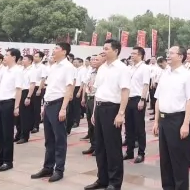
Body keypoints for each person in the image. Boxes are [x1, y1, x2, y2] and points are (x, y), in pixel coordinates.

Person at [85, 39, 131, 190]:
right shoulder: (102, 67)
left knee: (112, 147)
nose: (103, 51)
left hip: (113, 109)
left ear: (116, 51)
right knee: (100, 146)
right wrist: (94, 112)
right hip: (99, 108)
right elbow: (98, 91)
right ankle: (102, 179)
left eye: (106, 48)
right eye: (103, 48)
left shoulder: (122, 68)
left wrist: (121, 113)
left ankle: (114, 182)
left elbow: (125, 91)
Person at [153, 46, 190, 190]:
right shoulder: (165, 73)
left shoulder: (187, 75)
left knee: (178, 160)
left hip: (178, 120)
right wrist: (156, 121)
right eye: (168, 53)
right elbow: (158, 98)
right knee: (165, 161)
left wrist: (185, 124)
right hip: (164, 120)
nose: (168, 55)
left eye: (171, 53)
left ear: (181, 56)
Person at [31, 42, 76, 183]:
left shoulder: (68, 67)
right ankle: (48, 167)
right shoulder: (54, 66)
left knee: (59, 140)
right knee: (49, 139)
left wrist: (63, 108)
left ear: (64, 52)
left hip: (59, 104)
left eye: (56, 48)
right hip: (49, 104)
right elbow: (50, 88)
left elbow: (69, 89)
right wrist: (44, 106)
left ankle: (59, 170)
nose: (53, 51)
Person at [125, 46, 151, 163]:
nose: (132, 55)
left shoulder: (145, 68)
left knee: (139, 127)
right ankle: (129, 151)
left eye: (134, 53)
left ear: (140, 55)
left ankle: (141, 153)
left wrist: (142, 99)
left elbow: (146, 85)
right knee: (129, 127)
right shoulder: (129, 68)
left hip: (138, 99)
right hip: (128, 99)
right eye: (131, 53)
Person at [17, 55, 37, 144]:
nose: (22, 60)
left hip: (26, 92)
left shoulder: (32, 70)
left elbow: (32, 84)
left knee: (25, 116)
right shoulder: (21, 70)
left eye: (24, 59)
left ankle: (24, 136)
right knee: (18, 115)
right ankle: (18, 134)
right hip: (19, 92)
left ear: (30, 61)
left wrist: (28, 97)